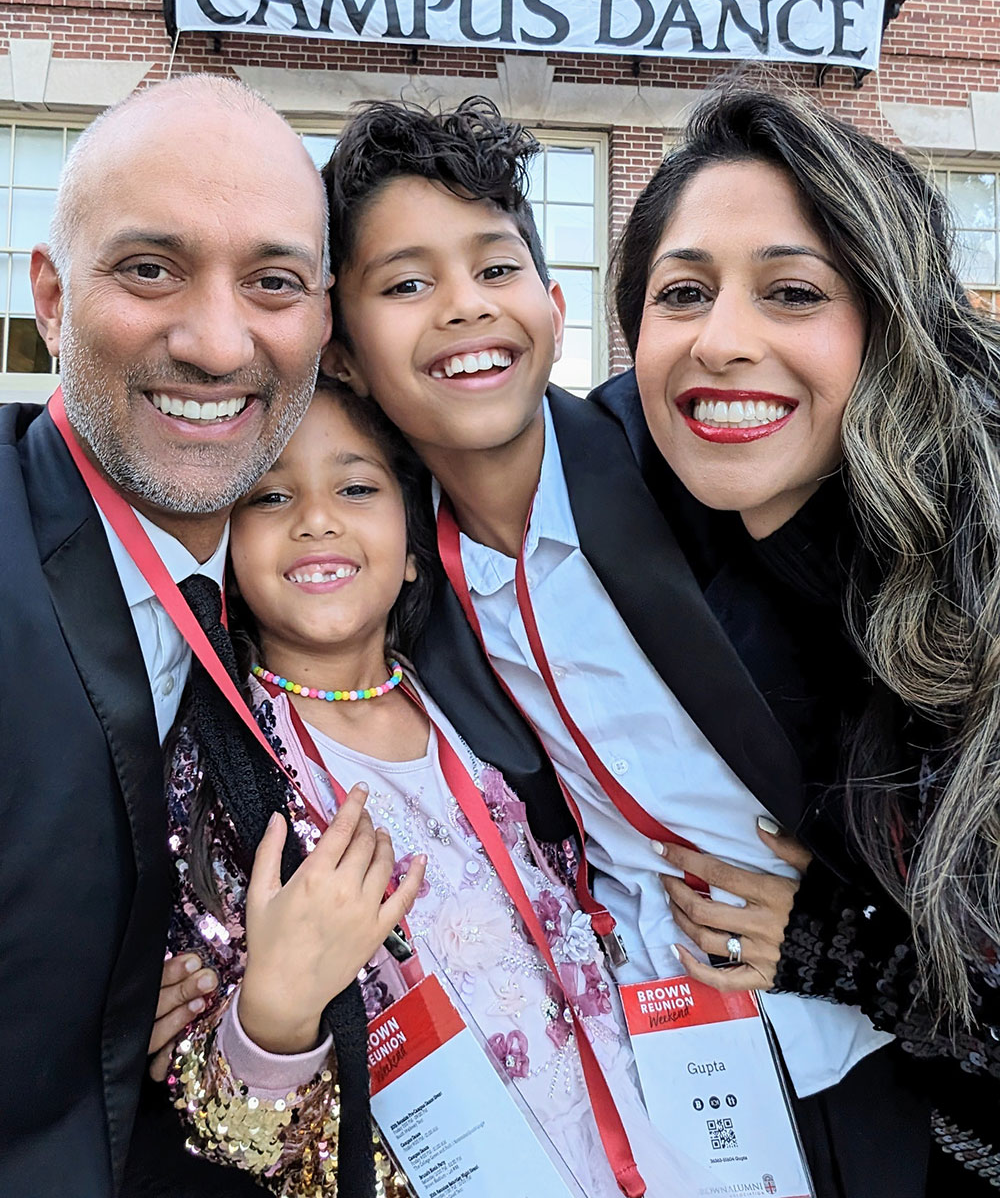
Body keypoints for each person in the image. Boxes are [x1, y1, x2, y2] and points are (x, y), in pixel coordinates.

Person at [321, 97, 930, 1198]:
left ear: (554, 306)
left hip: (850, 1032)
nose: (464, 308)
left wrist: (844, 922)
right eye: (406, 284)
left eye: (496, 269)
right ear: (348, 354)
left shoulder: (704, 466)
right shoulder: (397, 574)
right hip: (642, 1058)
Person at [597, 82, 1000, 1191]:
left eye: (790, 292)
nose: (722, 341)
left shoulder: (978, 566)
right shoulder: (626, 506)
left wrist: (842, 948)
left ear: (886, 323)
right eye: (682, 293)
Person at [163, 376, 690, 1198]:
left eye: (356, 486)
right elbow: (232, 1136)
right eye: (269, 497)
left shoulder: (479, 708)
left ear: (414, 545)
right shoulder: (223, 774)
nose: (317, 518)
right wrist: (274, 1008)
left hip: (627, 1149)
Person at [0, 75, 332, 1197]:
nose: (214, 340)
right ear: (49, 297)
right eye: (150, 269)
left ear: (325, 321)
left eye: (274, 282)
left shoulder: (317, 587)